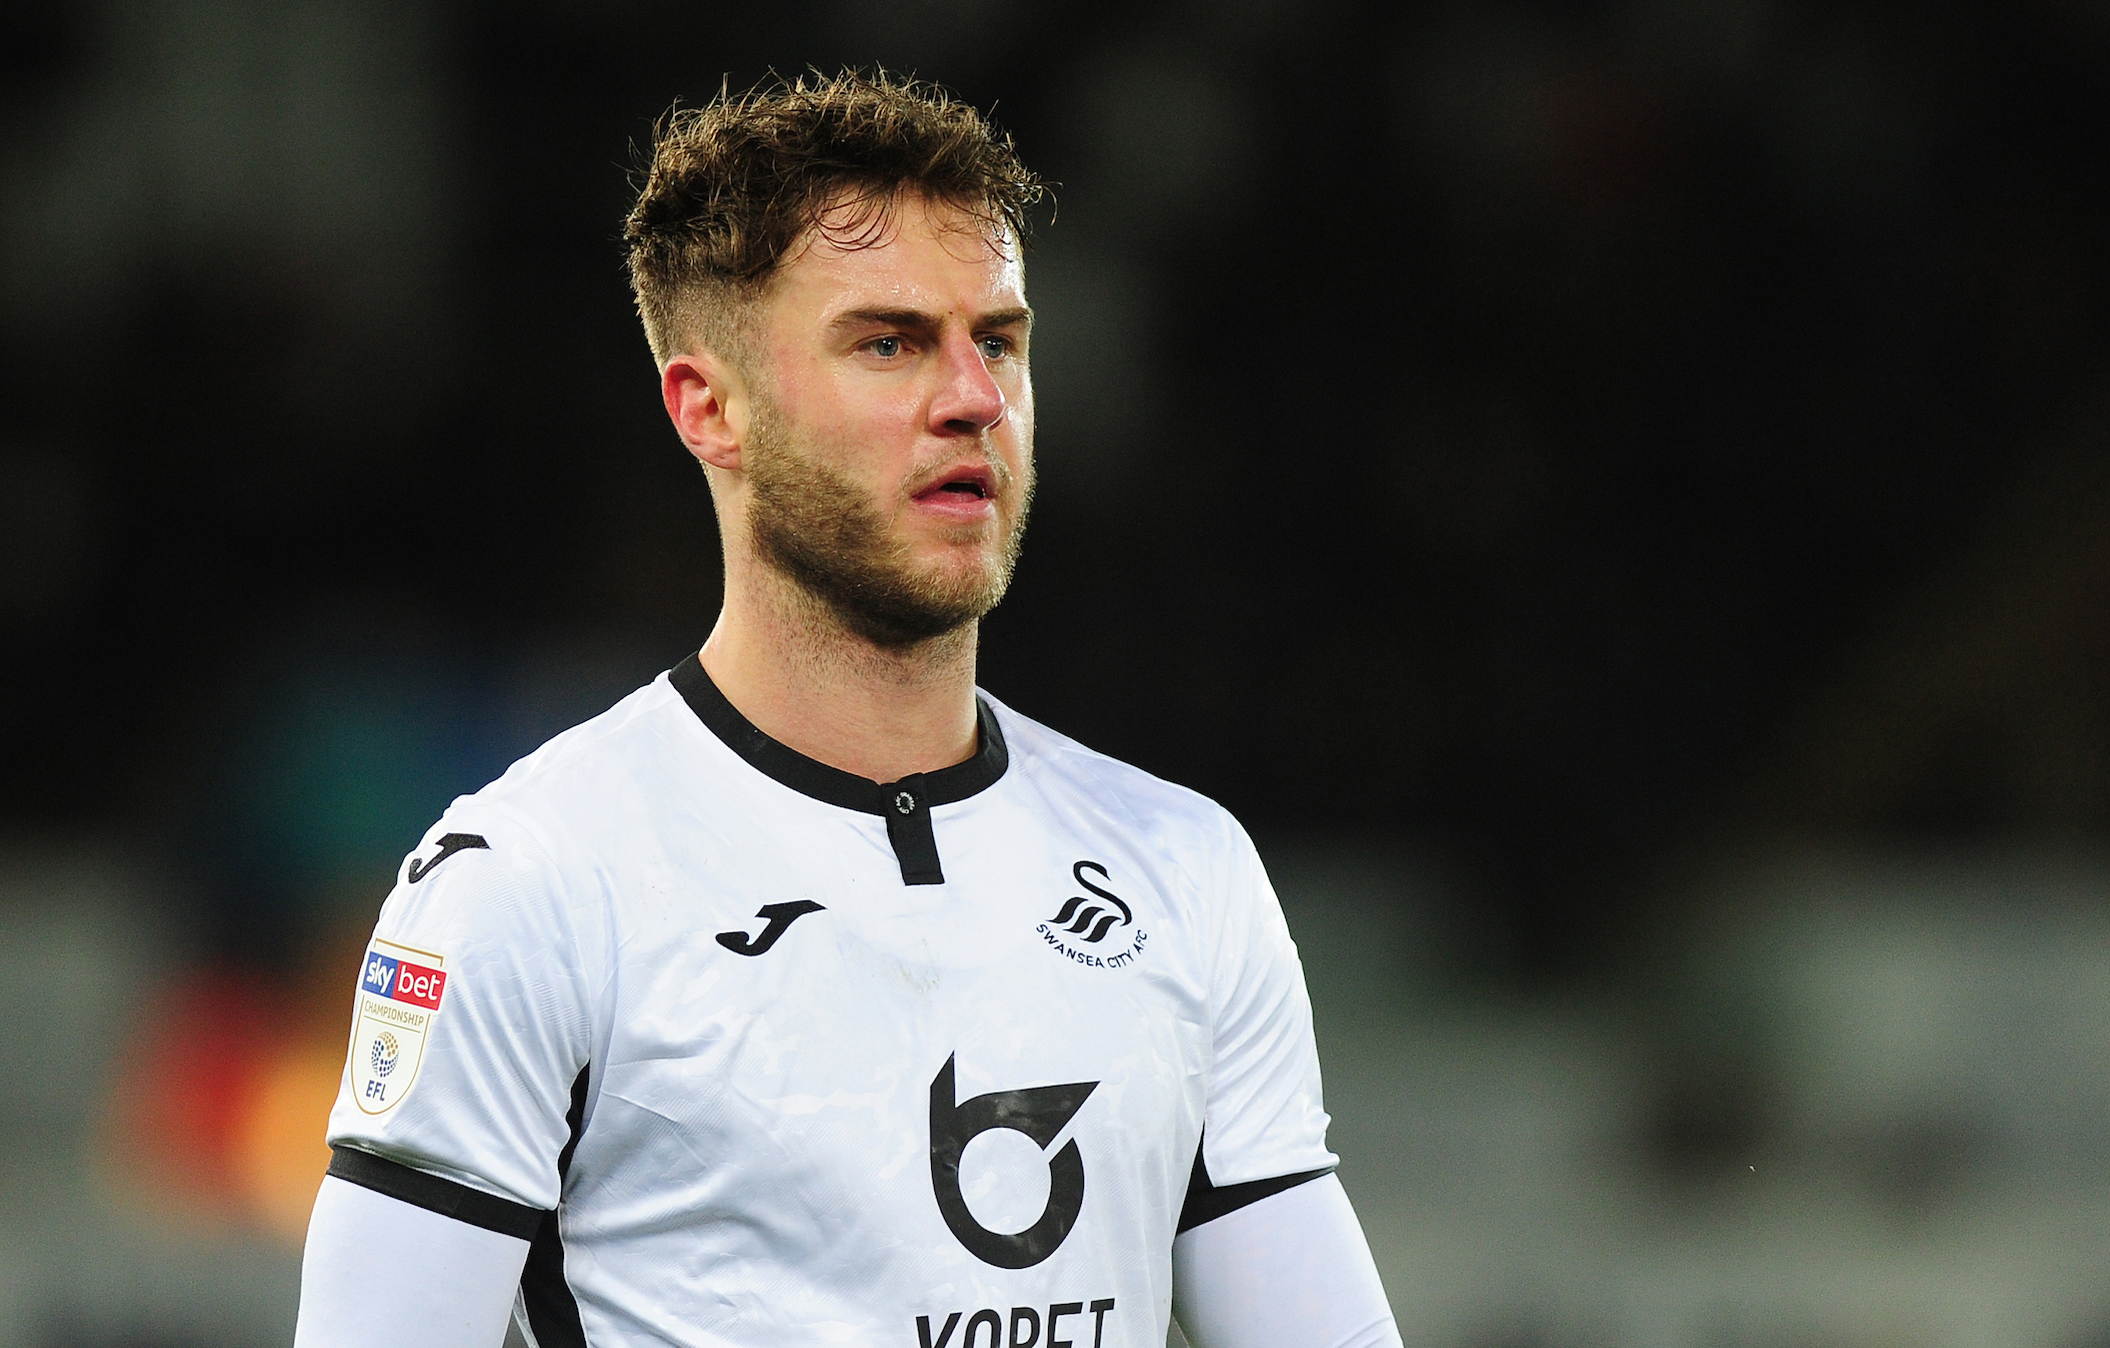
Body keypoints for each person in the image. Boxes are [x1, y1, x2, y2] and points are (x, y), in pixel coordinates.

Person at [292, 71, 1401, 1348]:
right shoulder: (532, 884)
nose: (972, 396)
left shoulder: (1183, 870)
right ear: (709, 409)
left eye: (997, 339)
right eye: (887, 342)